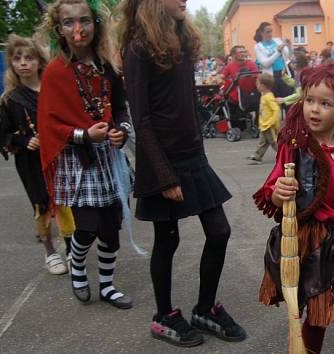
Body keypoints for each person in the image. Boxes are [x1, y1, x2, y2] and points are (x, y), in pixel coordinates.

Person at [119, 0, 246, 346]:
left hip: (193, 157)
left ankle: (204, 309)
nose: (184, 1)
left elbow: (188, 104)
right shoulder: (138, 49)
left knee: (219, 230)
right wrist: (164, 176)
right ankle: (164, 316)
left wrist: (200, 153)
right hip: (162, 161)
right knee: (168, 238)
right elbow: (141, 119)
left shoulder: (181, 40)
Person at [254, 64, 334, 354]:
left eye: (326, 103)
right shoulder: (294, 146)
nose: (314, 109)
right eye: (310, 100)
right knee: (319, 308)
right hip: (309, 238)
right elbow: (273, 192)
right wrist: (278, 194)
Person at [38, 0, 134, 309]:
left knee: (112, 227)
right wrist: (84, 135)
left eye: (84, 21)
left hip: (109, 158)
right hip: (79, 162)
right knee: (88, 226)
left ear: (96, 23)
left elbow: (120, 106)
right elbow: (50, 124)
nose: (78, 29)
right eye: (69, 23)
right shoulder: (55, 71)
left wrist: (121, 129)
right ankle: (77, 266)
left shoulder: (106, 65)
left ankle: (107, 285)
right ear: (58, 29)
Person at [0, 34, 75, 275]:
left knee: (66, 202)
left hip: (59, 156)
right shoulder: (10, 99)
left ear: (39, 61)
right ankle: (50, 252)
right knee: (41, 205)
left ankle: (73, 249)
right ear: (11, 63)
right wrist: (23, 140)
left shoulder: (52, 89)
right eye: (17, 58)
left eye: (29, 58)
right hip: (31, 161)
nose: (23, 63)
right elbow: (5, 137)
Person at [247, 73, 280, 164]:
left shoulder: (269, 97)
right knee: (263, 142)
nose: (256, 85)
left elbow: (276, 110)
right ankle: (257, 156)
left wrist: (272, 122)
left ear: (262, 86)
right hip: (264, 125)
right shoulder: (264, 95)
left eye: (257, 83)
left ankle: (285, 155)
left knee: (274, 142)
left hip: (269, 125)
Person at [253, 22, 293, 97]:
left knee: (288, 100)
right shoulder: (258, 46)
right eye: (268, 32)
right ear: (261, 33)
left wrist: (289, 46)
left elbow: (287, 56)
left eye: (271, 31)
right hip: (270, 78)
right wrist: (278, 52)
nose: (270, 34)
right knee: (272, 102)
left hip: (283, 74)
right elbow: (265, 63)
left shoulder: (277, 40)